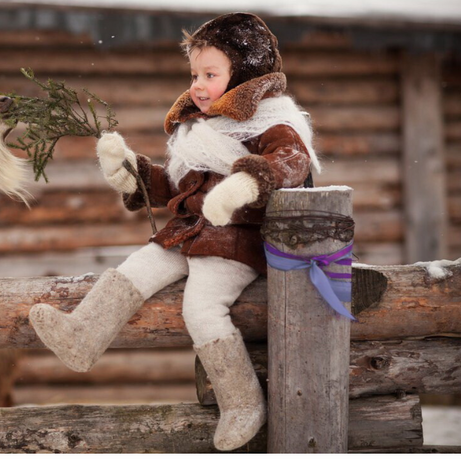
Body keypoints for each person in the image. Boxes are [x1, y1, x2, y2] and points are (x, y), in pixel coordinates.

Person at [29, 12, 320, 451]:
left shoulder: (273, 120)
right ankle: (82, 336)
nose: (197, 85)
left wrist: (247, 183)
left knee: (200, 308)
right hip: (191, 230)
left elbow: (291, 161)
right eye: (194, 74)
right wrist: (134, 174)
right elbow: (180, 184)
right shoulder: (202, 129)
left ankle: (242, 403)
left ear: (243, 73)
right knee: (136, 267)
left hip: (234, 240)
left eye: (210, 74)